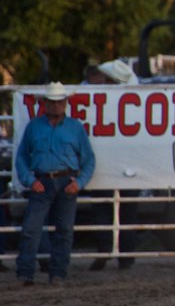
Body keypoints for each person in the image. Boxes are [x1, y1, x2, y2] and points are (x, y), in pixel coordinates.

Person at [14, 82, 96, 286]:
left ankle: (57, 273)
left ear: (65, 103)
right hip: (41, 180)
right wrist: (30, 180)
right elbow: (22, 157)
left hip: (66, 181)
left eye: (60, 102)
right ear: (45, 103)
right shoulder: (35, 126)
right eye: (52, 102)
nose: (56, 106)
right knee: (32, 229)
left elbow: (89, 160)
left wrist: (79, 182)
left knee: (64, 230)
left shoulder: (75, 127)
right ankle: (26, 273)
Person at [82, 61, 139, 270]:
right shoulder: (94, 98)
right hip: (108, 164)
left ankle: (123, 255)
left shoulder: (134, 101)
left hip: (124, 164)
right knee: (104, 210)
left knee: (123, 211)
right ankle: (109, 253)